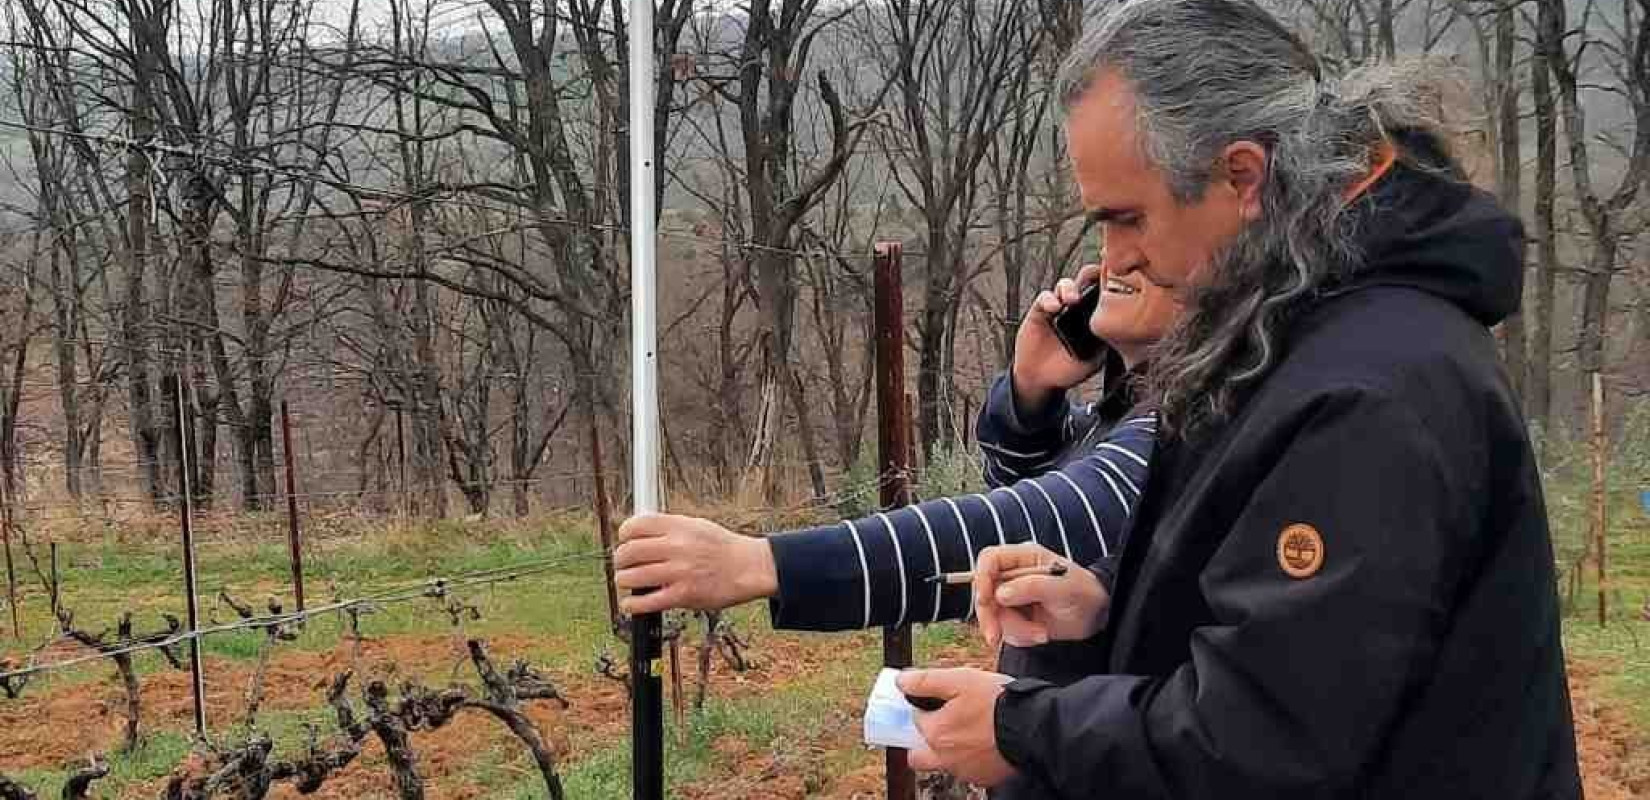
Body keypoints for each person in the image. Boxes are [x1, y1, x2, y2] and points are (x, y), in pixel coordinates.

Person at [889, 1, 1580, 797]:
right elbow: (1290, 627)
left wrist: (1023, 730)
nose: (1115, 260)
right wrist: (1105, 610)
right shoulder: (1281, 330)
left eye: (1127, 219)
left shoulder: (1370, 393)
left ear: (1242, 177)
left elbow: (1267, 739)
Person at [613, 265, 1180, 675]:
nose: (1110, 260)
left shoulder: (1189, 428)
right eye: (1104, 226)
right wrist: (1032, 389)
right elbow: (1029, 499)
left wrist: (762, 563)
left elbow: (1041, 522)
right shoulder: (1125, 417)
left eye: (1132, 218)